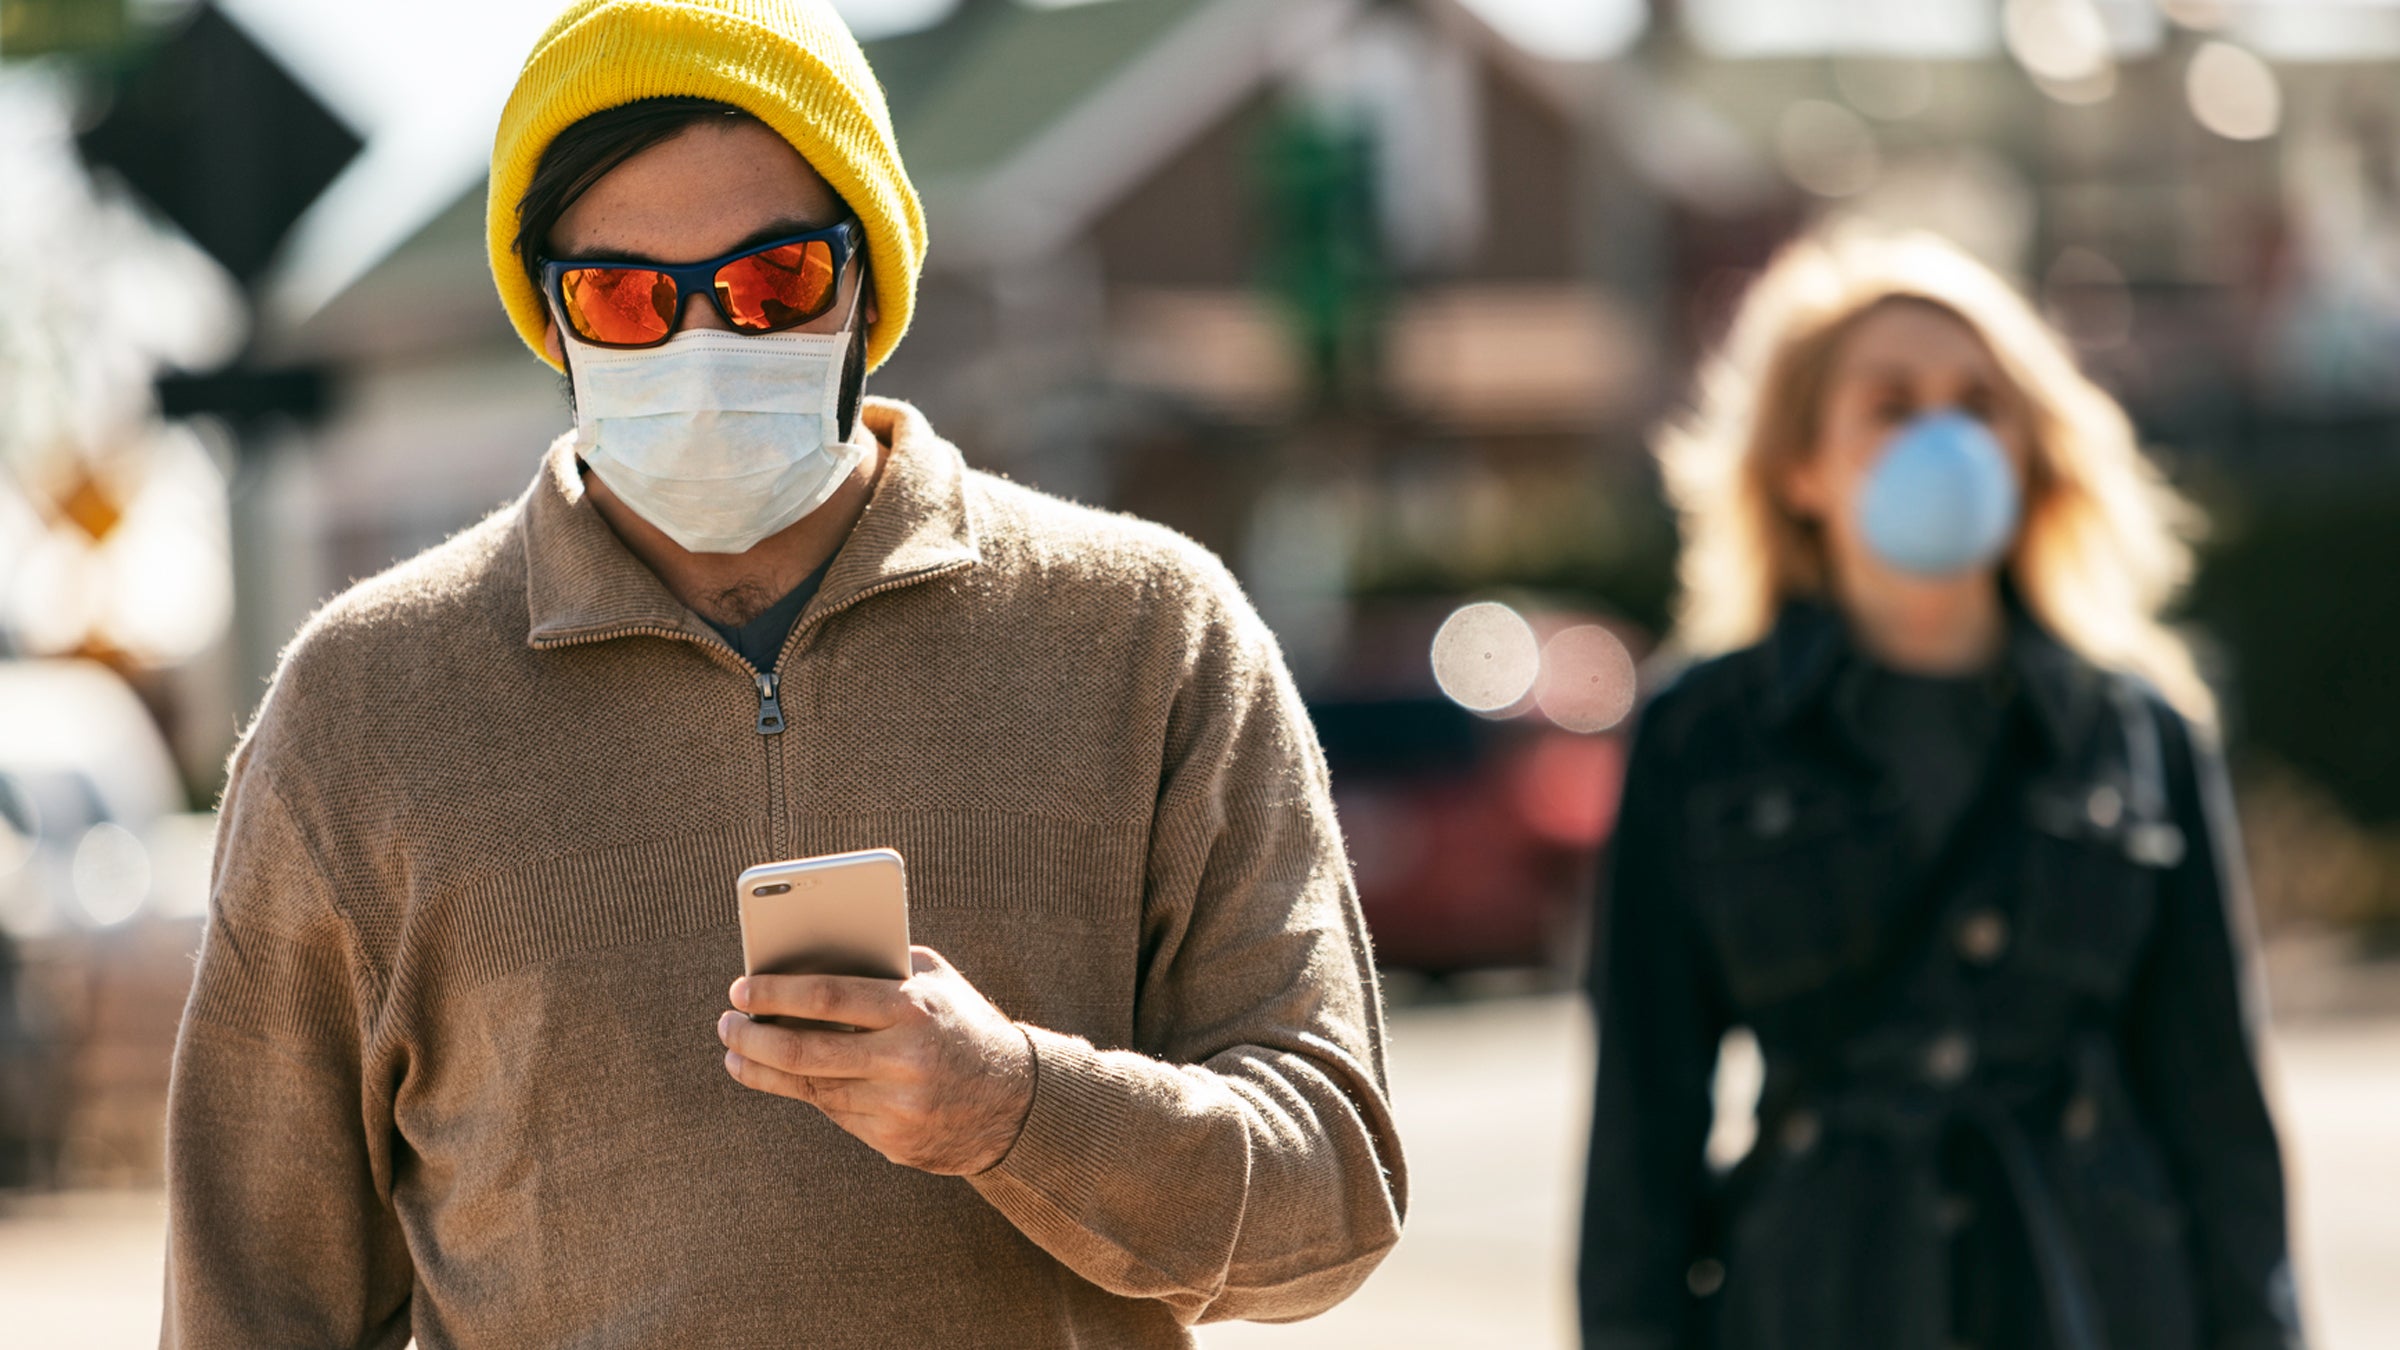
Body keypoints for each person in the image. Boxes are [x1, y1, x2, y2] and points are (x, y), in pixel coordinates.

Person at [160, 2, 1404, 1345]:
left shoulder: (1147, 633)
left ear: (868, 277)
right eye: (628, 297)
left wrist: (1019, 1104)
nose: (703, 343)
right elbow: (250, 1306)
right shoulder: (366, 708)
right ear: (551, 316)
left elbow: (1329, 1201)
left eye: (772, 284)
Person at [1577, 229, 2305, 1350]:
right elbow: (1642, 1125)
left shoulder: (2137, 731)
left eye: (1977, 402)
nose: (1943, 433)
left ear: (2028, 451)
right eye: (1893, 402)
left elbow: (2218, 1115)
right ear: (1801, 466)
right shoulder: (1703, 736)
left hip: (2096, 1297)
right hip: (1811, 1301)